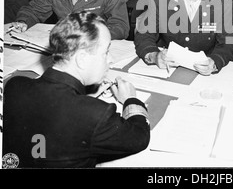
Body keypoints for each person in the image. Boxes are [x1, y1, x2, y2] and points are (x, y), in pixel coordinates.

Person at [3, 11, 150, 168]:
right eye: (106, 52)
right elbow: (139, 138)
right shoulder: (96, 114)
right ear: (82, 59)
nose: (110, 59)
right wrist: (131, 99)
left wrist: (84, 95)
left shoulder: (14, 86)